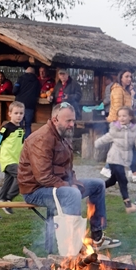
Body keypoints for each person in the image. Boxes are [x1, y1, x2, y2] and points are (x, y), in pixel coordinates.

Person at [19, 102, 110, 246]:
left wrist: (72, 181)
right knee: (71, 194)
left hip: (57, 185)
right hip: (36, 190)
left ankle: (97, 237)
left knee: (98, 185)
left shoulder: (63, 135)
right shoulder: (42, 139)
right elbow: (43, 176)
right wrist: (69, 186)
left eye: (73, 120)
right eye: (69, 120)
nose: (72, 124)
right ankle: (71, 245)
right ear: (55, 120)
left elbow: (68, 168)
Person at [95, 107, 136, 214]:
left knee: (112, 181)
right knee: (122, 180)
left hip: (125, 159)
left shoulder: (135, 130)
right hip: (114, 158)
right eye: (119, 116)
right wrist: (97, 143)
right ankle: (128, 205)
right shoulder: (115, 129)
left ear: (130, 117)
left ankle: (94, 189)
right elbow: (106, 138)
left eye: (124, 116)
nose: (122, 118)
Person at [0, 101, 26, 221]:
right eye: (16, 113)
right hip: (7, 160)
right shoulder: (6, 128)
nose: (19, 115)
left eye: (21, 113)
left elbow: (22, 145)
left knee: (6, 185)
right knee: (23, 176)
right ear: (10, 114)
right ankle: (7, 199)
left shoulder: (21, 128)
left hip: (16, 161)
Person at [12, 65, 41, 137]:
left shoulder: (20, 79)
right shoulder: (37, 81)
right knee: (28, 125)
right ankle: (27, 142)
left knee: (19, 123)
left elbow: (14, 91)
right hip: (30, 105)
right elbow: (38, 93)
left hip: (19, 104)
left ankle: (19, 140)